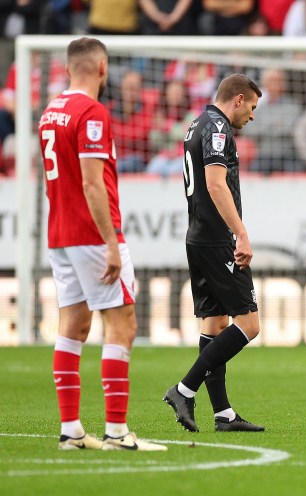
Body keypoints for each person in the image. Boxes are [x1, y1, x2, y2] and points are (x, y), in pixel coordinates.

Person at [38, 37, 165, 451]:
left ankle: (71, 430)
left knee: (73, 324)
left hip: (59, 231)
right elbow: (92, 182)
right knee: (123, 321)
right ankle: (116, 432)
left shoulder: (51, 111)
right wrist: (111, 242)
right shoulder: (91, 112)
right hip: (91, 233)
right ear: (102, 68)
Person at [162, 74, 266, 433]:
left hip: (198, 235)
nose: (252, 116)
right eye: (251, 107)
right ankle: (183, 389)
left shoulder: (196, 124)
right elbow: (215, 183)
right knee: (248, 324)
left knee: (215, 324)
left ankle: (223, 414)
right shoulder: (219, 128)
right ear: (238, 99)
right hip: (218, 238)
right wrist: (240, 233)